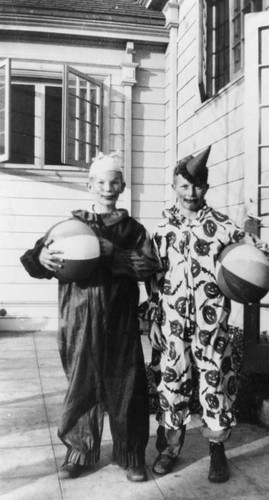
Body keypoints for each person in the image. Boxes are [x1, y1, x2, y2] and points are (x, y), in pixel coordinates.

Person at [20, 152, 161, 482]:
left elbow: (148, 265)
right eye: (100, 182)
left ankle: (131, 453)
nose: (107, 188)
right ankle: (79, 450)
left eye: (114, 182)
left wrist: (115, 254)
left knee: (126, 385)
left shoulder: (132, 230)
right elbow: (32, 260)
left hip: (120, 319)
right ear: (89, 185)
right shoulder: (72, 226)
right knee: (82, 383)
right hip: (80, 318)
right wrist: (41, 256)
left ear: (123, 186)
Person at [147, 146, 268, 483]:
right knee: (173, 379)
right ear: (173, 187)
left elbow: (256, 249)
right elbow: (154, 280)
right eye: (184, 186)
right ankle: (170, 447)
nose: (191, 193)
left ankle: (217, 450)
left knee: (216, 380)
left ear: (206, 188)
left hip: (211, 322)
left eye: (198, 185)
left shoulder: (221, 226)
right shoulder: (163, 231)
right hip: (173, 321)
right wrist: (155, 315)